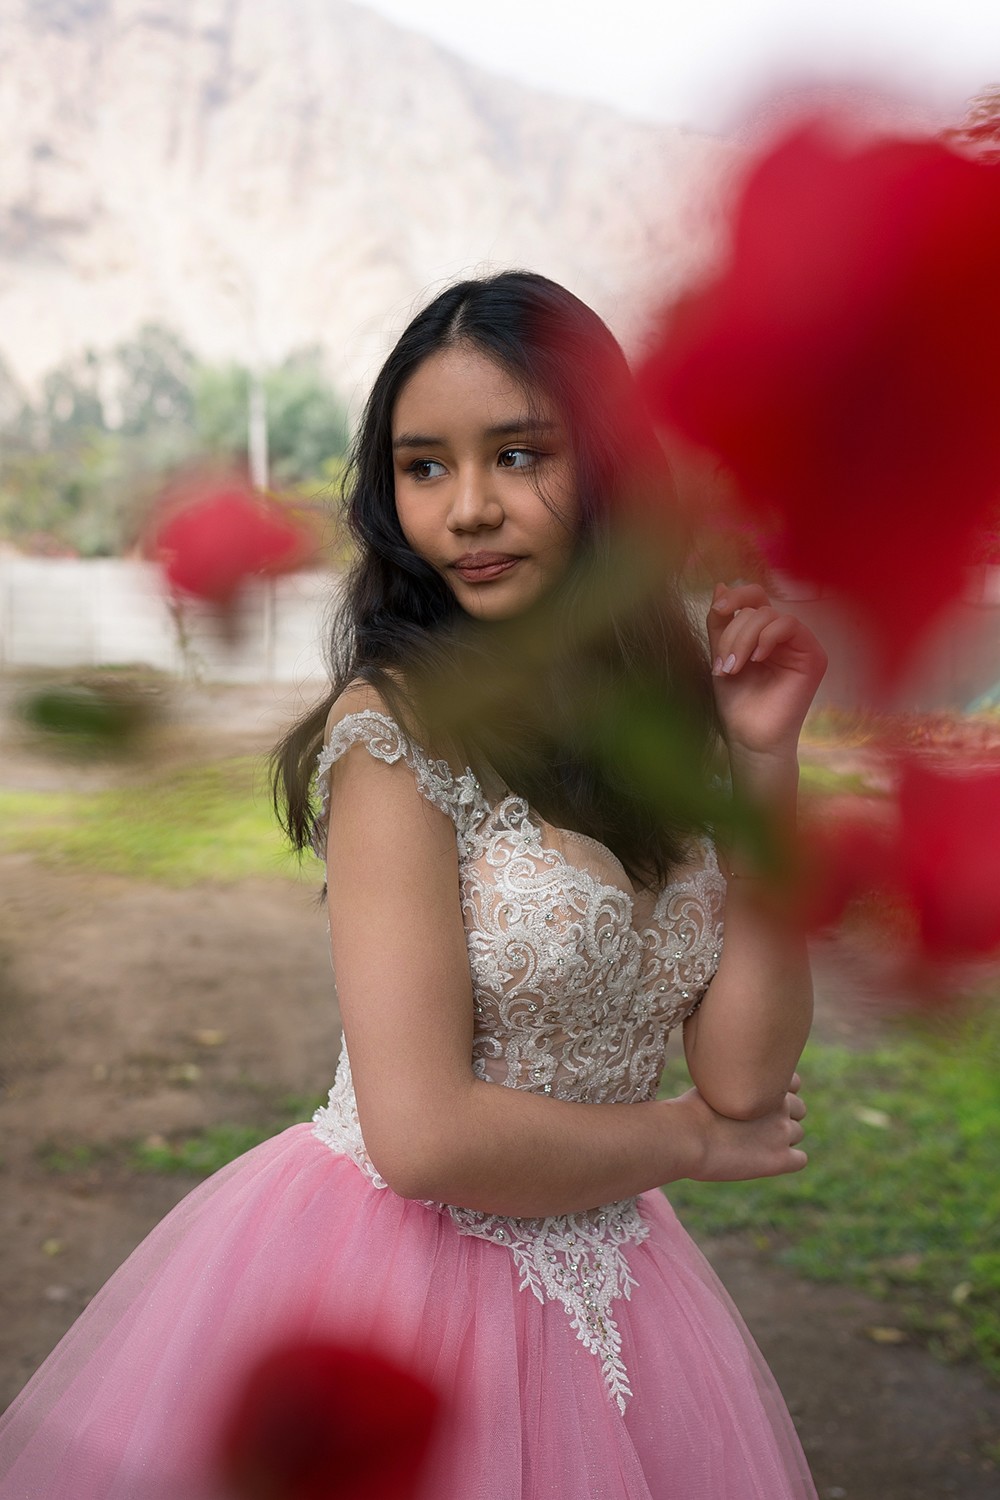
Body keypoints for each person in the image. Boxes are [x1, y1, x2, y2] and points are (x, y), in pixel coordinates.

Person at [0, 271, 825, 1499]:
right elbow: (424, 1135)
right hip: (395, 1280)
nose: (470, 509)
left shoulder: (664, 725)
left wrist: (763, 758)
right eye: (425, 466)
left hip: (615, 1279)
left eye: (518, 454)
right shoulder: (393, 736)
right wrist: (690, 1142)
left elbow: (749, 1072)